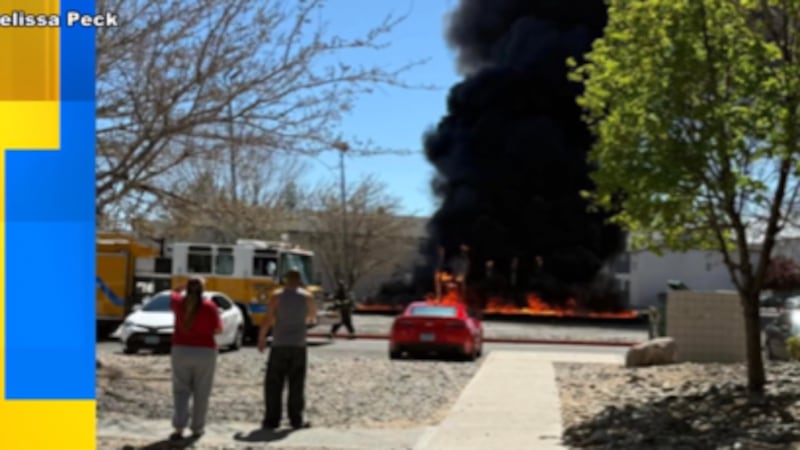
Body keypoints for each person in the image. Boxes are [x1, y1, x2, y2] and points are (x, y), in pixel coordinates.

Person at [258, 268, 317, 430]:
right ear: (299, 280)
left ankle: (271, 420)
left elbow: (268, 318)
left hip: (279, 344)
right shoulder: (307, 297)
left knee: (274, 384)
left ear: (286, 280)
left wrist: (262, 338)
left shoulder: (277, 296)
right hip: (298, 344)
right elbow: (312, 316)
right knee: (296, 383)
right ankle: (296, 419)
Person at [168, 276, 223, 441]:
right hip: (205, 351)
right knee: (202, 392)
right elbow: (218, 330)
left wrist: (181, 286)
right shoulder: (210, 306)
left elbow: (173, 293)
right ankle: (197, 428)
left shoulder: (178, 303)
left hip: (181, 349)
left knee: (181, 390)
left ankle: (179, 427)